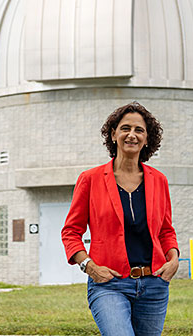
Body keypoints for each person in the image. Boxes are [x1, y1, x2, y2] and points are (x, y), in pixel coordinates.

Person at [61, 102, 179, 336]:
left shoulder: (159, 180)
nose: (132, 135)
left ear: (147, 139)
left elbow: (166, 231)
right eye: (125, 128)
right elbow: (71, 232)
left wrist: (174, 259)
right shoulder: (90, 179)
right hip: (109, 284)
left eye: (139, 130)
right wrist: (89, 266)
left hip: (154, 284)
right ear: (113, 134)